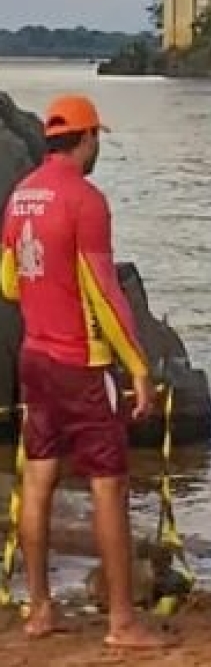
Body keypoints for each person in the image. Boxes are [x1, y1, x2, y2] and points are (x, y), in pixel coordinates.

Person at [0, 95, 166, 650]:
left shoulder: (22, 194)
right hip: (80, 362)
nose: (98, 149)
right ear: (86, 138)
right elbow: (105, 290)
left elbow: (7, 281)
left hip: (35, 358)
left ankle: (40, 609)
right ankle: (122, 622)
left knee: (39, 480)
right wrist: (139, 367)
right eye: (98, 139)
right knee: (108, 487)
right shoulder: (85, 199)